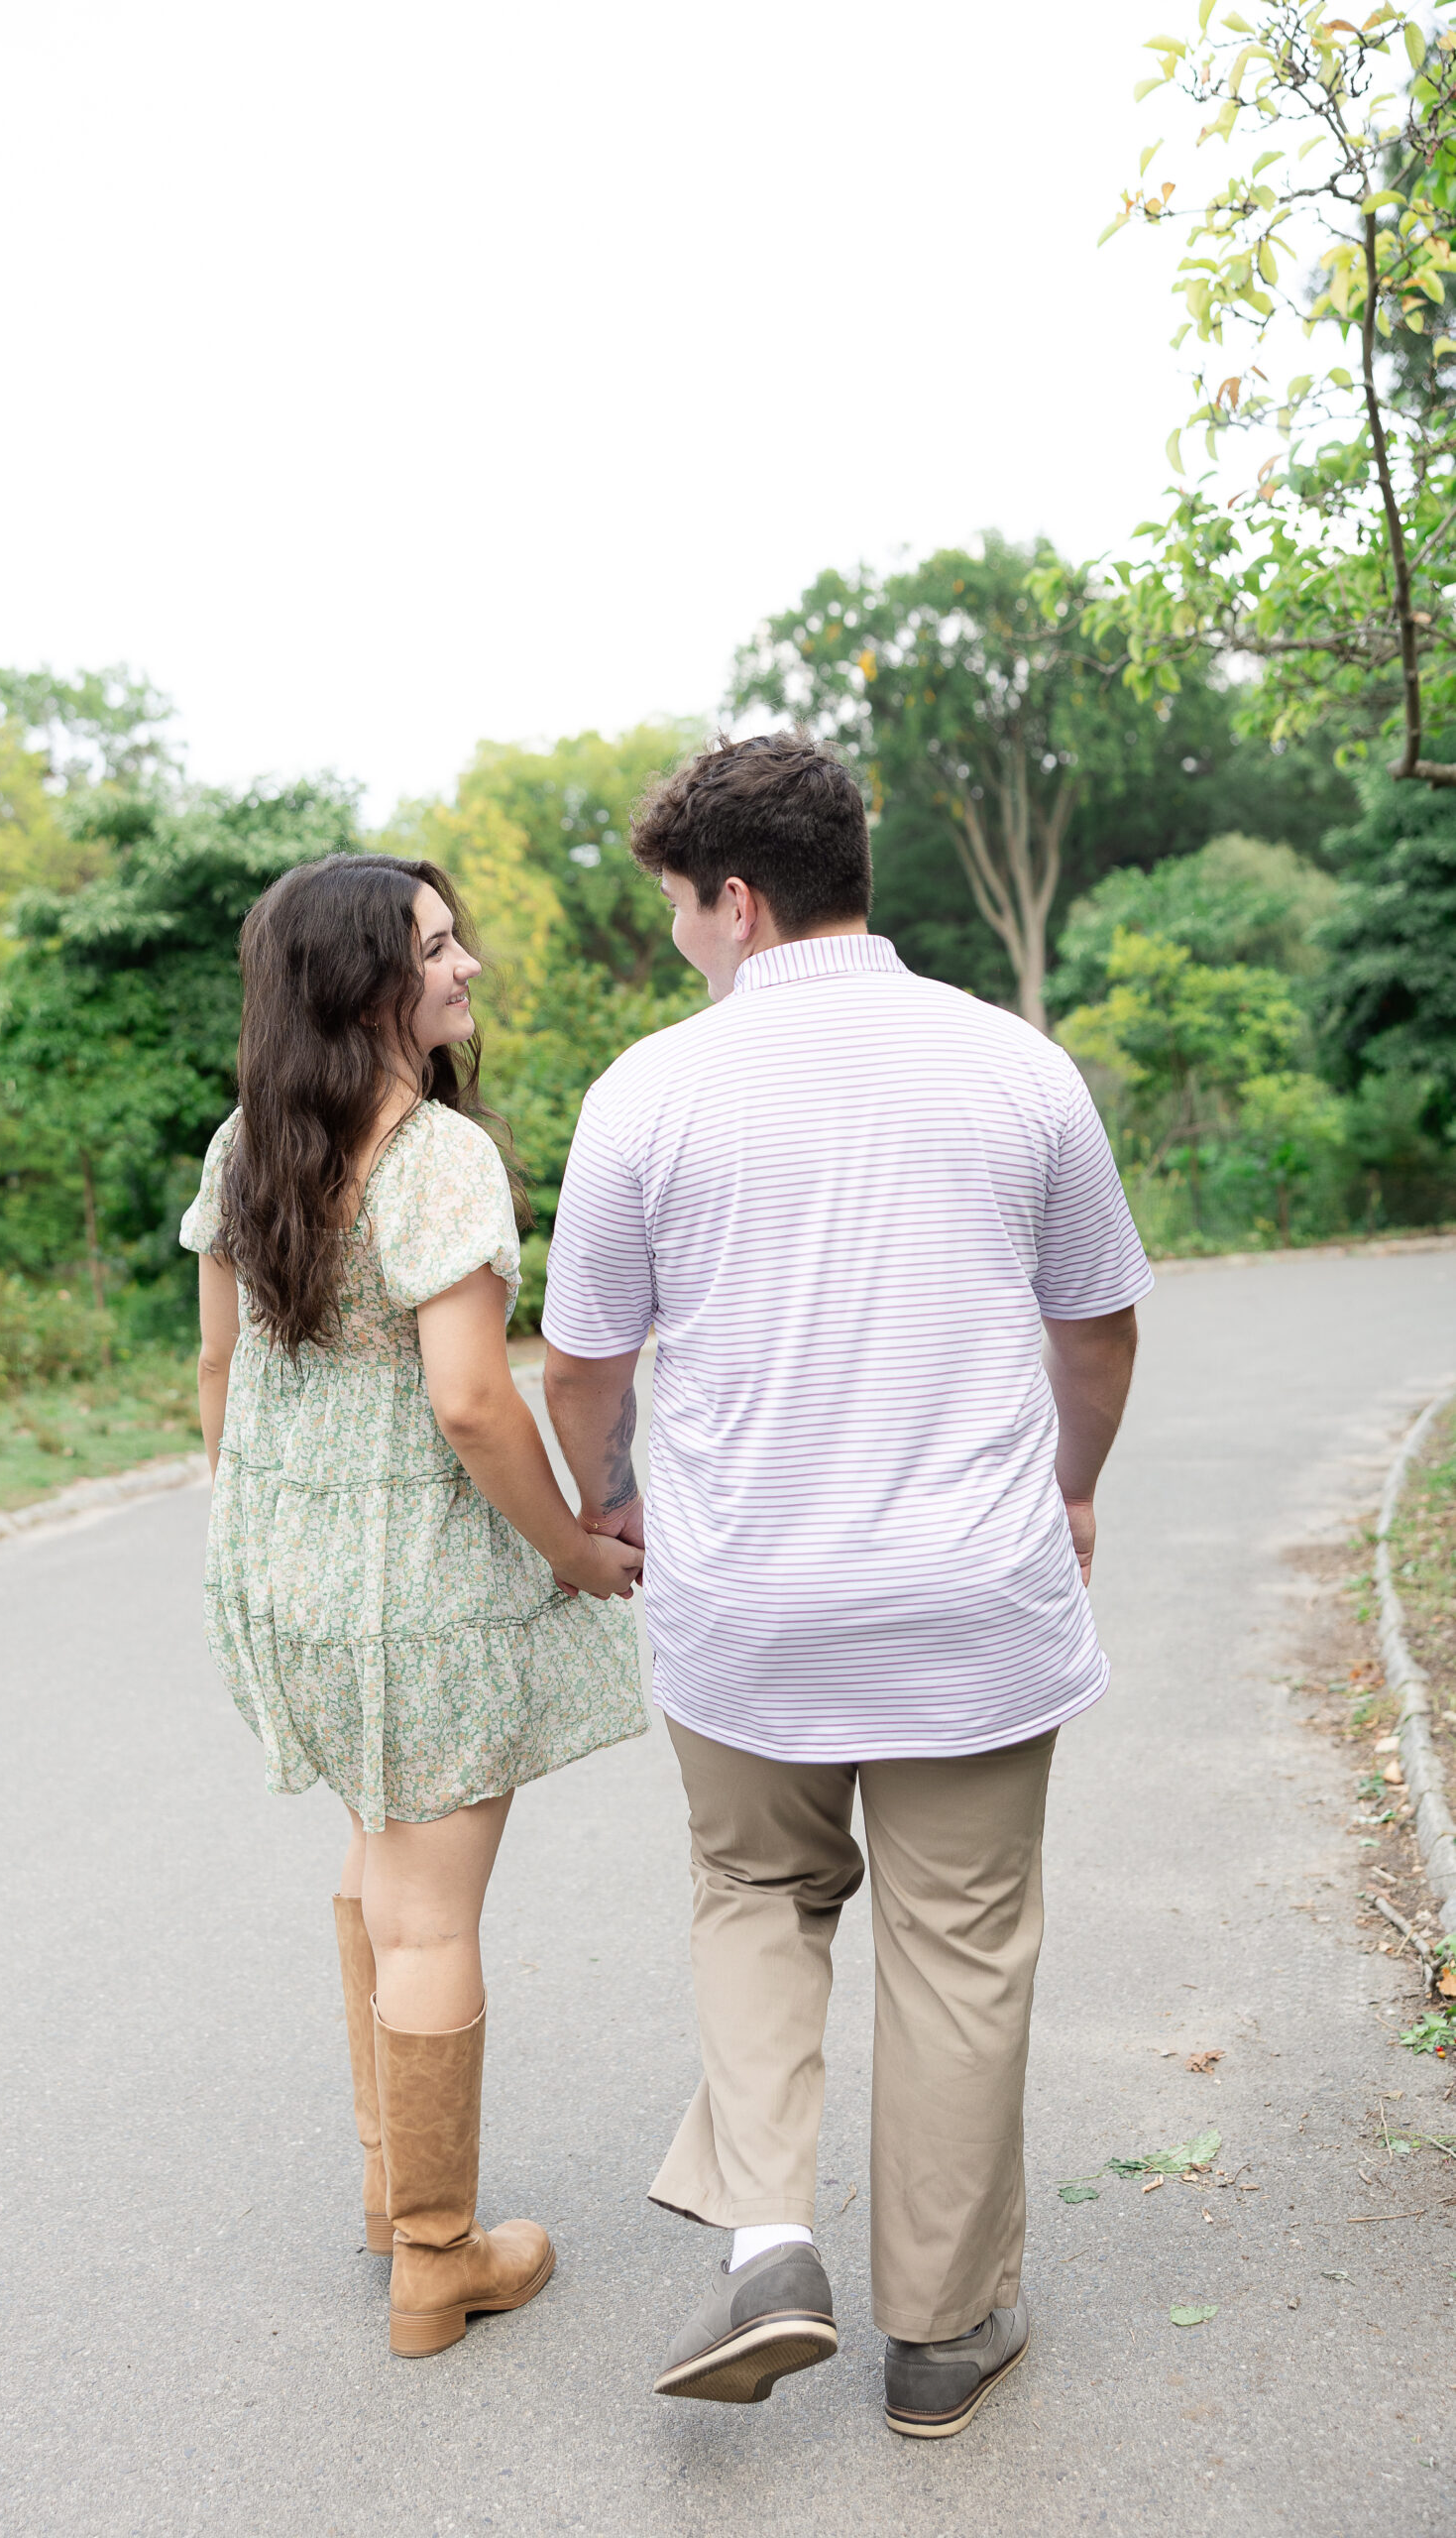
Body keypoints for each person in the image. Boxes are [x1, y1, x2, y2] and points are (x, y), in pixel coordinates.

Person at [540, 733, 1149, 2437]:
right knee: (959, 1952)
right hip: (971, 1597)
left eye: (677, 906)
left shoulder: (647, 1092)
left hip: (747, 1604)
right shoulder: (1017, 1067)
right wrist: (1073, 1480)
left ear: (736, 901)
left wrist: (613, 1499)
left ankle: (774, 2241)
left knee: (758, 1895)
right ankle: (943, 2340)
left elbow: (582, 1366)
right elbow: (1095, 1325)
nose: (677, 939)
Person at [180, 853, 646, 2362]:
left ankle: (397, 2199)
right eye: (438, 951)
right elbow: (468, 1399)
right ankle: (440, 2266)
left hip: (292, 1584)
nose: (470, 970)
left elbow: (216, 1376)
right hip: (422, 1590)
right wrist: (576, 1552)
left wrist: (272, 1541)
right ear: (365, 983)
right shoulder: (437, 1156)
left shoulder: (246, 1144)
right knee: (433, 1905)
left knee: (379, 1858)